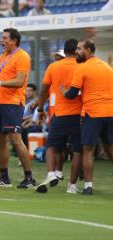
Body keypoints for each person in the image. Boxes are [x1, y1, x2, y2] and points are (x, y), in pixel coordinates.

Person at [0, 28, 36, 188]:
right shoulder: (3, 56)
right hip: (0, 102)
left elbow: (20, 81)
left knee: (15, 139)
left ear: (14, 40)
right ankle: (4, 177)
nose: (1, 41)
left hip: (13, 103)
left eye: (4, 38)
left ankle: (29, 178)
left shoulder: (22, 56)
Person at [62, 40, 113, 195]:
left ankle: (88, 186)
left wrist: (64, 91)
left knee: (88, 149)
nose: (76, 51)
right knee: (110, 148)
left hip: (92, 113)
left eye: (79, 49)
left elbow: (71, 94)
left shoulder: (82, 68)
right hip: (110, 112)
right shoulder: (107, 67)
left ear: (89, 50)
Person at [35, 39, 82, 194]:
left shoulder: (53, 66)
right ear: (76, 51)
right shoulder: (82, 66)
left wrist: (40, 108)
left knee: (51, 147)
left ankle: (51, 173)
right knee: (77, 151)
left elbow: (43, 90)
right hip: (79, 114)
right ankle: (72, 186)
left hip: (59, 113)